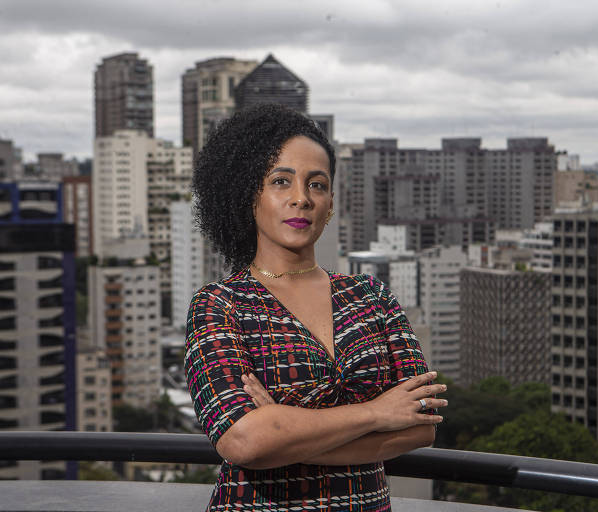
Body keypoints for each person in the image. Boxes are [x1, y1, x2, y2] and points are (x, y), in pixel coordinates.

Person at [185, 103, 446, 511]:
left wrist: (285, 431)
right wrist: (376, 413)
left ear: (331, 202)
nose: (301, 199)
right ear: (247, 194)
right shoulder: (219, 305)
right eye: (280, 182)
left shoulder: (371, 297)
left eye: (317, 184)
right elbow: (243, 440)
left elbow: (420, 426)